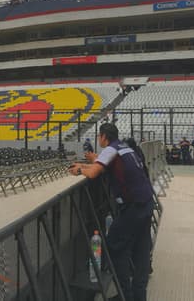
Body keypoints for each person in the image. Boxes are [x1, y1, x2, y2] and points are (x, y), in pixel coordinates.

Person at [67, 123, 154, 301]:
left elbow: (93, 174)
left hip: (133, 207)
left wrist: (78, 170)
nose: (99, 140)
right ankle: (139, 296)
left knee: (114, 246)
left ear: (104, 137)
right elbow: (104, 163)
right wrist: (88, 162)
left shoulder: (110, 149)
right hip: (146, 203)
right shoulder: (124, 148)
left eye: (100, 137)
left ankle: (125, 295)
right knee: (141, 251)